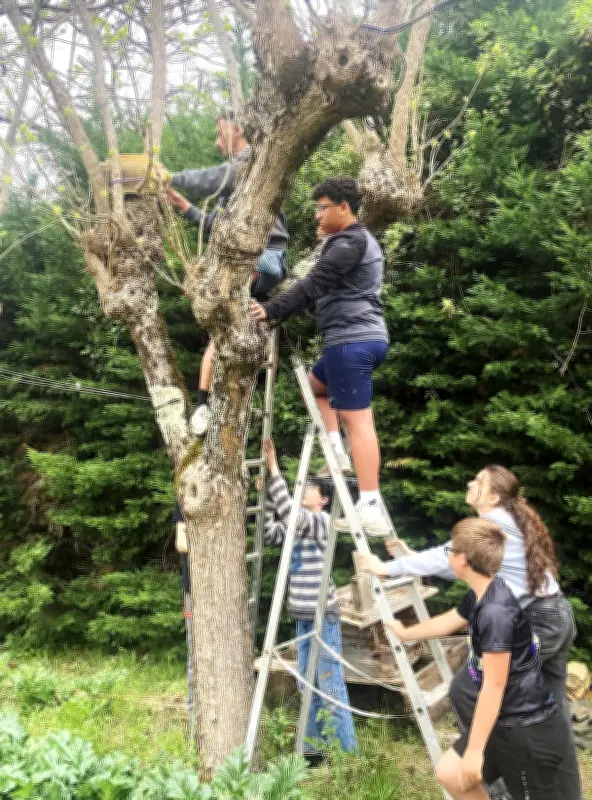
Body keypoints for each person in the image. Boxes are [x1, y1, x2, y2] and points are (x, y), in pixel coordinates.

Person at [388, 517, 581, 800]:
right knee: (450, 773)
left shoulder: (495, 614)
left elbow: (495, 684)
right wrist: (406, 634)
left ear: (463, 560)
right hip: (502, 720)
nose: (448, 556)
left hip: (525, 729)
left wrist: (475, 752)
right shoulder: (483, 592)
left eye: (451, 551)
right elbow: (450, 620)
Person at [359, 465, 576, 704]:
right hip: (553, 614)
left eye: (478, 481)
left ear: (493, 497)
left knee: (480, 693)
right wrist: (410, 558)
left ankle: (479, 742)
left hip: (537, 619)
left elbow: (448, 555)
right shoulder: (505, 520)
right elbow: (465, 564)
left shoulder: (494, 522)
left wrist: (386, 568)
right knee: (550, 701)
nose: (470, 484)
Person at [250, 177, 390, 536]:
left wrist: (270, 309)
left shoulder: (349, 242)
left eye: (321, 207)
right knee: (316, 386)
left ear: (343, 208)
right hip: (356, 339)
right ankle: (335, 449)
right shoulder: (350, 242)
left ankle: (371, 505)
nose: (316, 214)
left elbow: (313, 285)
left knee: (358, 421)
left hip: (351, 340)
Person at [164, 110, 289, 436]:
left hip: (266, 259)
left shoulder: (255, 164)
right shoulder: (232, 192)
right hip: (248, 270)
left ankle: (232, 287)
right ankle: (203, 404)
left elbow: (217, 176)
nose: (218, 144)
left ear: (239, 129)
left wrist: (170, 178)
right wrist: (185, 208)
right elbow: (218, 228)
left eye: (221, 135)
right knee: (219, 336)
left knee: (223, 273)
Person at [260, 437, 357, 757]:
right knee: (306, 684)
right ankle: (315, 752)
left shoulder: (320, 522)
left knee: (329, 685)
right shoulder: (298, 523)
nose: (303, 490)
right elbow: (270, 533)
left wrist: (274, 470)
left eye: (309, 489)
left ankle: (347, 756)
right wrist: (266, 498)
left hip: (322, 615)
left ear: (323, 500)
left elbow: (291, 513)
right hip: (303, 616)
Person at [172, 504, 193, 715]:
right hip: (193, 590)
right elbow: (181, 543)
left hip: (223, 591)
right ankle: (192, 707)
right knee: (194, 648)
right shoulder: (184, 500)